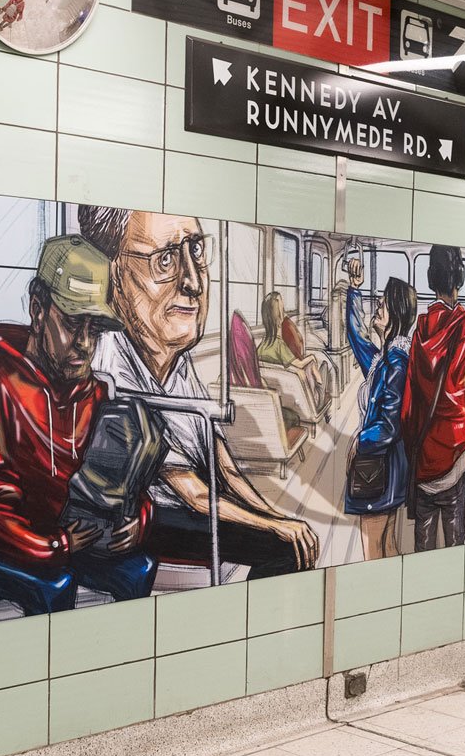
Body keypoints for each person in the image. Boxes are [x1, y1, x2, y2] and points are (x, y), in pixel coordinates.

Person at [80, 205, 319, 576]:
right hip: (151, 517)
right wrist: (274, 528)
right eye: (165, 260)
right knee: (282, 549)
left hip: (190, 504)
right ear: (115, 275)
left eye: (195, 250)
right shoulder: (112, 369)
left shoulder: (174, 358)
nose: (193, 281)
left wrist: (277, 516)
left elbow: (224, 465)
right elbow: (191, 491)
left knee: (286, 534)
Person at [0, 234, 158, 615]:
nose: (85, 343)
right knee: (56, 586)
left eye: (95, 330)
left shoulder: (96, 395)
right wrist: (54, 545)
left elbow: (124, 483)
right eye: (72, 324)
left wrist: (139, 520)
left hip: (77, 540)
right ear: (37, 309)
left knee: (139, 568)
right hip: (7, 548)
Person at [402, 248, 465, 551]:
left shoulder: (420, 329)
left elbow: (408, 407)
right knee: (455, 539)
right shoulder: (463, 325)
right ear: (459, 277)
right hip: (455, 450)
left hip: (423, 457)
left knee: (423, 542)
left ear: (431, 279)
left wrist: (413, 451)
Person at [345, 276, 415, 560]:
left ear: (395, 314)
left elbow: (388, 425)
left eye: (383, 304)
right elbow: (356, 338)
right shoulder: (382, 359)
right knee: (387, 545)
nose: (378, 307)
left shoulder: (395, 362)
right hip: (387, 466)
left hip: (378, 467)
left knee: (373, 550)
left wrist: (359, 441)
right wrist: (354, 291)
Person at [258, 291, 328, 409]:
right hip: (308, 403)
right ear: (279, 317)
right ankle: (321, 394)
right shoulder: (279, 345)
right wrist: (311, 357)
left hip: (282, 401)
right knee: (322, 366)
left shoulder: (261, 346)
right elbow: (299, 364)